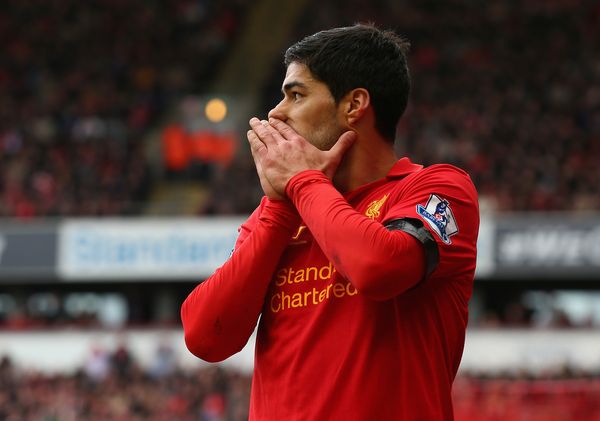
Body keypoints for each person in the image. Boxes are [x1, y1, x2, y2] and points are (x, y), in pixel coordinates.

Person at [181, 24, 479, 420]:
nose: (276, 112)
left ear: (354, 104)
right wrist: (281, 209)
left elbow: (380, 269)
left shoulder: (436, 189)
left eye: (296, 95)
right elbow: (206, 338)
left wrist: (303, 182)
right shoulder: (279, 213)